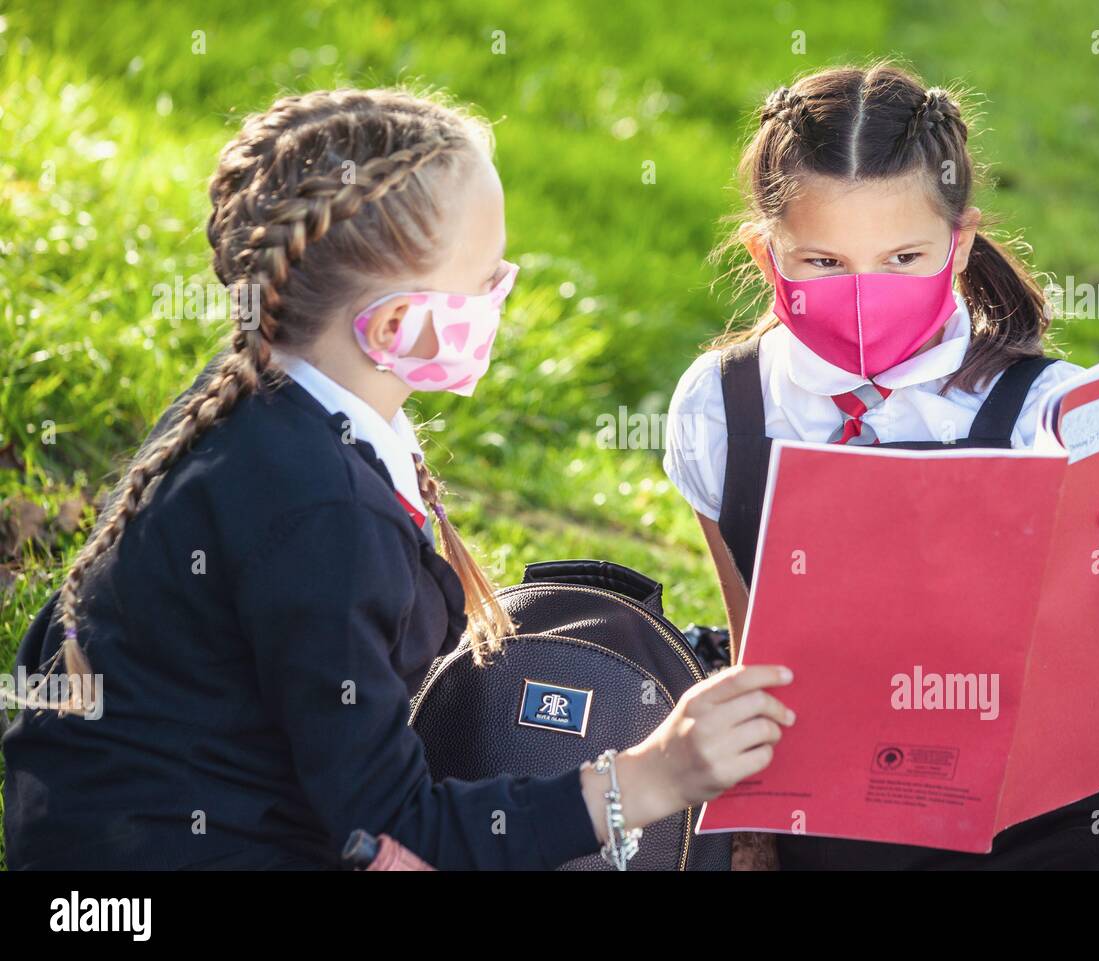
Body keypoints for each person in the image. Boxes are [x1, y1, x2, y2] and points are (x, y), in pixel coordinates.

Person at [2, 88, 796, 870]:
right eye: (488, 280)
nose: (501, 295)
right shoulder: (321, 511)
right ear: (393, 326)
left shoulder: (265, 395)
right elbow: (397, 832)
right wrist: (654, 777)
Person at [663, 63, 1099, 870]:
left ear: (959, 247)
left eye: (903, 257)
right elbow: (758, 646)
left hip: (1043, 819)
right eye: (823, 261)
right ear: (765, 253)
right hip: (853, 810)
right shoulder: (723, 405)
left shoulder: (1049, 415)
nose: (863, 292)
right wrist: (755, 834)